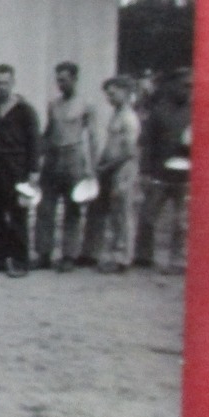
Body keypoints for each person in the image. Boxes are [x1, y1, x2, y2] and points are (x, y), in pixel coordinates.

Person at [35, 61, 100, 272]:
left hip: (74, 157)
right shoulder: (53, 104)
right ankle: (43, 253)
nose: (60, 84)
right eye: (58, 80)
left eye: (63, 80)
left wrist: (92, 167)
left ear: (74, 78)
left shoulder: (86, 104)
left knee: (73, 208)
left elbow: (92, 137)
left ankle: (68, 255)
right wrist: (38, 159)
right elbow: (48, 132)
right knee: (45, 207)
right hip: (53, 158)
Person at [0, 64, 41, 277]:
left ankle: (19, 260)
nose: (0, 87)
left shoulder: (25, 110)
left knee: (17, 215)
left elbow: (35, 142)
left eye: (5, 83)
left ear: (13, 83)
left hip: (17, 170)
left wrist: (34, 171)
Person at [135, 68, 192, 274]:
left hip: (185, 175)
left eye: (190, 86)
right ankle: (143, 256)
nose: (187, 90)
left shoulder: (197, 111)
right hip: (159, 173)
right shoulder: (158, 111)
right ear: (172, 85)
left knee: (181, 221)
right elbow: (147, 144)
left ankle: (177, 260)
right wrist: (145, 172)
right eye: (184, 85)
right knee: (147, 216)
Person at [89, 75, 142, 273]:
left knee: (123, 213)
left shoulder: (129, 118)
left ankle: (124, 258)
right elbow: (111, 145)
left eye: (113, 93)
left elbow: (128, 152)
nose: (109, 98)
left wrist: (107, 166)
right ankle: (114, 254)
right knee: (114, 212)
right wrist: (101, 163)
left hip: (124, 169)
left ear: (125, 92)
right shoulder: (116, 114)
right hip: (112, 168)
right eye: (107, 95)